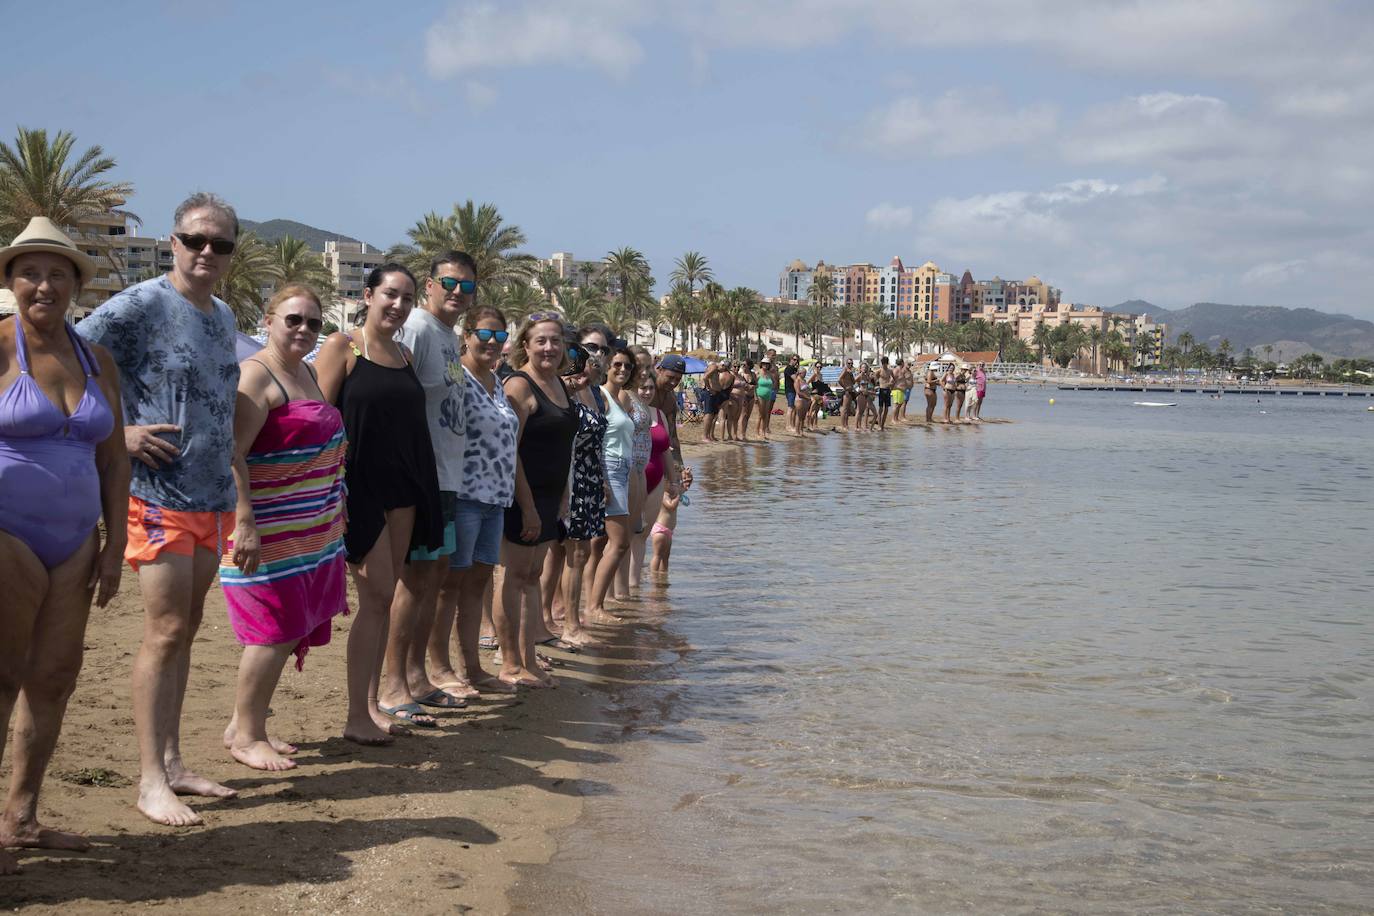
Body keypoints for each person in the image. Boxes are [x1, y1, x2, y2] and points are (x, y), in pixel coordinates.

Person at [76, 193, 243, 827]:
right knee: (165, 631)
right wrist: (116, 434)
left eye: (219, 244)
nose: (206, 252)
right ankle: (149, 779)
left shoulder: (223, 314)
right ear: (173, 243)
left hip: (210, 497)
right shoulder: (143, 304)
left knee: (187, 630)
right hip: (156, 495)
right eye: (195, 240)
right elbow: (69, 354)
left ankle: (173, 762)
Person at [0, 218, 127, 872]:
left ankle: (21, 818)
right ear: (11, 280)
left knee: (53, 679)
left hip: (77, 541)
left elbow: (115, 459)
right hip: (7, 535)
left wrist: (115, 544)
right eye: (30, 271)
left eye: (57, 273)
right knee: (1, 677)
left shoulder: (96, 359)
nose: (43, 284)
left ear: (76, 284)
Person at [315, 263, 444, 741]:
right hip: (359, 487)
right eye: (391, 294)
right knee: (373, 596)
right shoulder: (342, 347)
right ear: (368, 295)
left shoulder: (406, 356)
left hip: (405, 490)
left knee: (385, 598)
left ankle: (370, 708)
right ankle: (355, 715)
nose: (399, 305)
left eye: (408, 298)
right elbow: (317, 418)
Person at [219, 286, 346, 772]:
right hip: (266, 528)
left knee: (290, 628)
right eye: (294, 319)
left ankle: (242, 723)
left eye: (313, 323)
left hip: (311, 526)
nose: (304, 330)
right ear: (268, 321)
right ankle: (248, 736)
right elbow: (232, 453)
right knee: (269, 631)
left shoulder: (308, 373)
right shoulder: (256, 376)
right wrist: (244, 520)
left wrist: (337, 505)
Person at [381, 251, 474, 720]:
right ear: (430, 284)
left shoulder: (448, 336)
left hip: (449, 476)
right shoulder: (415, 327)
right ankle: (393, 685)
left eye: (467, 286)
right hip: (423, 476)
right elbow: (394, 394)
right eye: (449, 283)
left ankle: (417, 675)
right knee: (413, 581)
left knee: (435, 577)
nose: (458, 292)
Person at [429, 304, 519, 696]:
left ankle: (473, 668)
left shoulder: (497, 381)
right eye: (485, 334)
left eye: (500, 336)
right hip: (462, 494)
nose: (492, 342)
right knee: (451, 584)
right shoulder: (456, 376)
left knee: (477, 584)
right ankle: (439, 668)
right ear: (467, 335)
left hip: (495, 498)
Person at [498, 312, 578, 687]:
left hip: (549, 497)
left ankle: (528, 657)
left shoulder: (559, 385)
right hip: (522, 496)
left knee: (533, 576)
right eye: (541, 341)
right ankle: (509, 661)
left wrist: (562, 496)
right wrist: (527, 506)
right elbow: (509, 451)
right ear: (525, 345)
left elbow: (564, 445)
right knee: (514, 576)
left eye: (555, 341)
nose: (549, 347)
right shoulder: (519, 385)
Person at [555, 325, 609, 648]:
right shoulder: (565, 385)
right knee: (571, 553)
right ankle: (567, 623)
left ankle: (564, 616)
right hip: (569, 478)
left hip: (589, 478)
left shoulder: (594, 390)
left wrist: (601, 478)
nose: (596, 355)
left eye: (602, 349)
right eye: (589, 348)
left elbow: (597, 442)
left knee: (583, 551)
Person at [586, 346, 639, 625]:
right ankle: (594, 606)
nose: (622, 370)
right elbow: (595, 440)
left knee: (602, 543)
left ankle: (595, 602)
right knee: (619, 543)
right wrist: (602, 479)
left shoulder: (622, 399)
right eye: (617, 364)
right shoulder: (602, 397)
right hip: (609, 469)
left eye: (628, 366)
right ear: (607, 366)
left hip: (623, 470)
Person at [649, 474, 690, 576]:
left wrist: (688, 479)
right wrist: (678, 496)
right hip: (660, 531)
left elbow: (685, 487)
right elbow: (671, 506)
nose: (676, 485)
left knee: (666, 557)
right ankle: (654, 575)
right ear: (664, 483)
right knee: (657, 555)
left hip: (668, 532)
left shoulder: (674, 493)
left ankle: (663, 575)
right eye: (673, 483)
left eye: (677, 482)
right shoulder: (663, 495)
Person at [754, 357, 778, 440]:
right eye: (764, 363)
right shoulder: (758, 373)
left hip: (768, 395)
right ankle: (757, 432)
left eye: (767, 364)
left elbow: (775, 383)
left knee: (766, 414)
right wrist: (755, 396)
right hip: (759, 394)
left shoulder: (769, 374)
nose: (765, 365)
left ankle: (763, 431)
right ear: (761, 364)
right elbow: (754, 385)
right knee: (760, 415)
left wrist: (772, 389)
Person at [875, 357, 893, 430]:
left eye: (885, 363)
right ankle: (879, 425)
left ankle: (882, 425)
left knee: (886, 409)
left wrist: (891, 384)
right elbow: (875, 379)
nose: (884, 365)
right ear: (882, 363)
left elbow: (894, 379)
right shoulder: (879, 371)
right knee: (880, 408)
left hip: (888, 390)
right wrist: (877, 385)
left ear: (887, 363)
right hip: (881, 389)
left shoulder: (890, 371)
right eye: (883, 364)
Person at [837, 359, 856, 431]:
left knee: (848, 410)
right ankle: (843, 425)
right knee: (844, 409)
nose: (850, 365)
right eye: (849, 363)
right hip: (846, 392)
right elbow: (839, 379)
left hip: (851, 391)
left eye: (851, 363)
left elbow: (853, 382)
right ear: (846, 363)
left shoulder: (849, 372)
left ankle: (846, 424)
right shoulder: (845, 370)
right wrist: (845, 387)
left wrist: (851, 374)